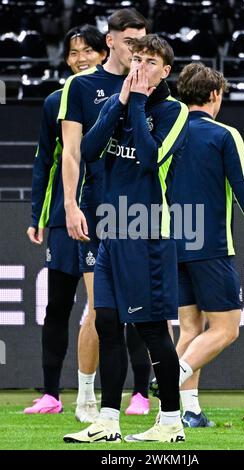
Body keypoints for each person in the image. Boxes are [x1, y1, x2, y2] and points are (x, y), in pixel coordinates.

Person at [63, 34, 189, 444]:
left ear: (165, 71)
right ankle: (108, 421)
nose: (140, 67)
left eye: (150, 62)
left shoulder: (175, 111)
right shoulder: (114, 103)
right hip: (110, 231)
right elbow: (90, 150)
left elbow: (152, 159)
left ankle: (171, 421)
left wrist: (136, 101)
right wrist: (119, 102)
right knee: (107, 324)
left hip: (148, 230)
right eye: (136, 58)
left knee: (152, 330)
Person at [172, 62, 244, 427]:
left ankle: (188, 411)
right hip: (211, 244)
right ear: (215, 95)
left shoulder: (167, 133)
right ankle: (173, 380)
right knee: (227, 329)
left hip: (172, 243)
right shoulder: (224, 135)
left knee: (190, 329)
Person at [58, 9, 151, 419]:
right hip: (96, 208)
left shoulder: (152, 83)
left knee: (145, 310)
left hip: (137, 213)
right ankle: (84, 395)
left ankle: (143, 395)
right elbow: (71, 151)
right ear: (109, 40)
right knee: (101, 309)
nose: (137, 50)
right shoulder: (81, 86)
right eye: (130, 41)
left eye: (143, 42)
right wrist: (70, 203)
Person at [24, 25, 107, 419]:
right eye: (73, 53)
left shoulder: (119, 97)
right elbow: (45, 160)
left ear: (103, 53)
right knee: (57, 305)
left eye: (87, 51)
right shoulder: (55, 101)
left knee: (109, 305)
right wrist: (37, 213)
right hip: (62, 216)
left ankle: (139, 392)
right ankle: (52, 393)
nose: (79, 59)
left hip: (108, 214)